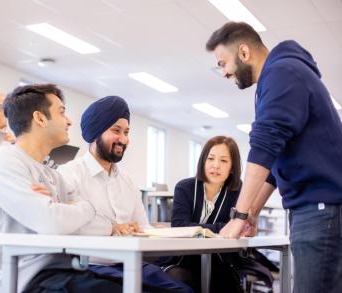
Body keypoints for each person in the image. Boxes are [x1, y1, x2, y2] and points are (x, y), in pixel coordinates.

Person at [206, 21, 342, 293]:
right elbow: (275, 160)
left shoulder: (283, 73)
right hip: (315, 207)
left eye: (223, 63)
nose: (223, 73)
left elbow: (264, 147)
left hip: (321, 206)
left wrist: (239, 215)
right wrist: (252, 212)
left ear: (243, 52)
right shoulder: (278, 76)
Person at [0, 84, 122, 293]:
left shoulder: (51, 174)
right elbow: (52, 221)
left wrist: (68, 209)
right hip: (27, 280)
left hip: (64, 272)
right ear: (40, 118)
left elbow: (88, 226)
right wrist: (74, 208)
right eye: (62, 112)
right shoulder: (3, 160)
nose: (69, 121)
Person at [57, 96, 192, 293]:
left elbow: (143, 228)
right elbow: (66, 225)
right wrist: (112, 228)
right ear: (95, 133)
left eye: (126, 132)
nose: (124, 139)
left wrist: (150, 231)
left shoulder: (127, 181)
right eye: (116, 131)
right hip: (91, 267)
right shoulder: (69, 174)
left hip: (131, 264)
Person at [162, 136, 274, 292]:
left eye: (223, 161)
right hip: (183, 260)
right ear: (203, 161)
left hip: (219, 261)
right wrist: (222, 227)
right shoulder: (184, 187)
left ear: (232, 167)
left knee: (228, 283)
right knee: (177, 279)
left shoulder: (238, 192)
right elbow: (179, 227)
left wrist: (237, 227)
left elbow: (236, 229)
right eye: (210, 158)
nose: (215, 165)